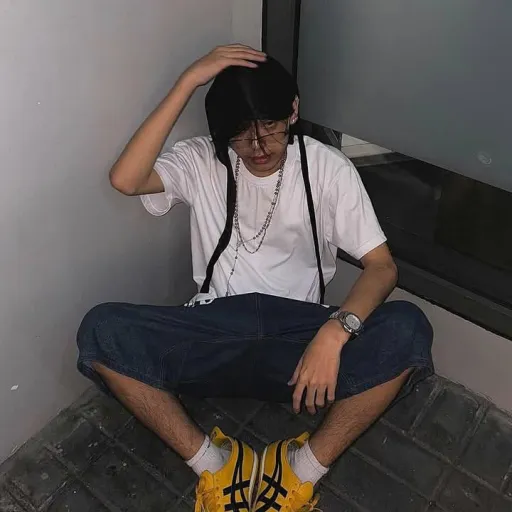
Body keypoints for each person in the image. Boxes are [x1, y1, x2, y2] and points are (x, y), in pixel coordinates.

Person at [77, 44, 433, 512]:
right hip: (216, 328)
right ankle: (216, 465)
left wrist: (334, 333)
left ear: (293, 111)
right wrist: (190, 80)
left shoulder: (327, 168)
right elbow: (126, 179)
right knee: (100, 330)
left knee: (408, 329)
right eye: (241, 135)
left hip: (300, 344)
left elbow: (382, 266)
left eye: (270, 127)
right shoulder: (201, 160)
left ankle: (299, 471)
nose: (259, 147)